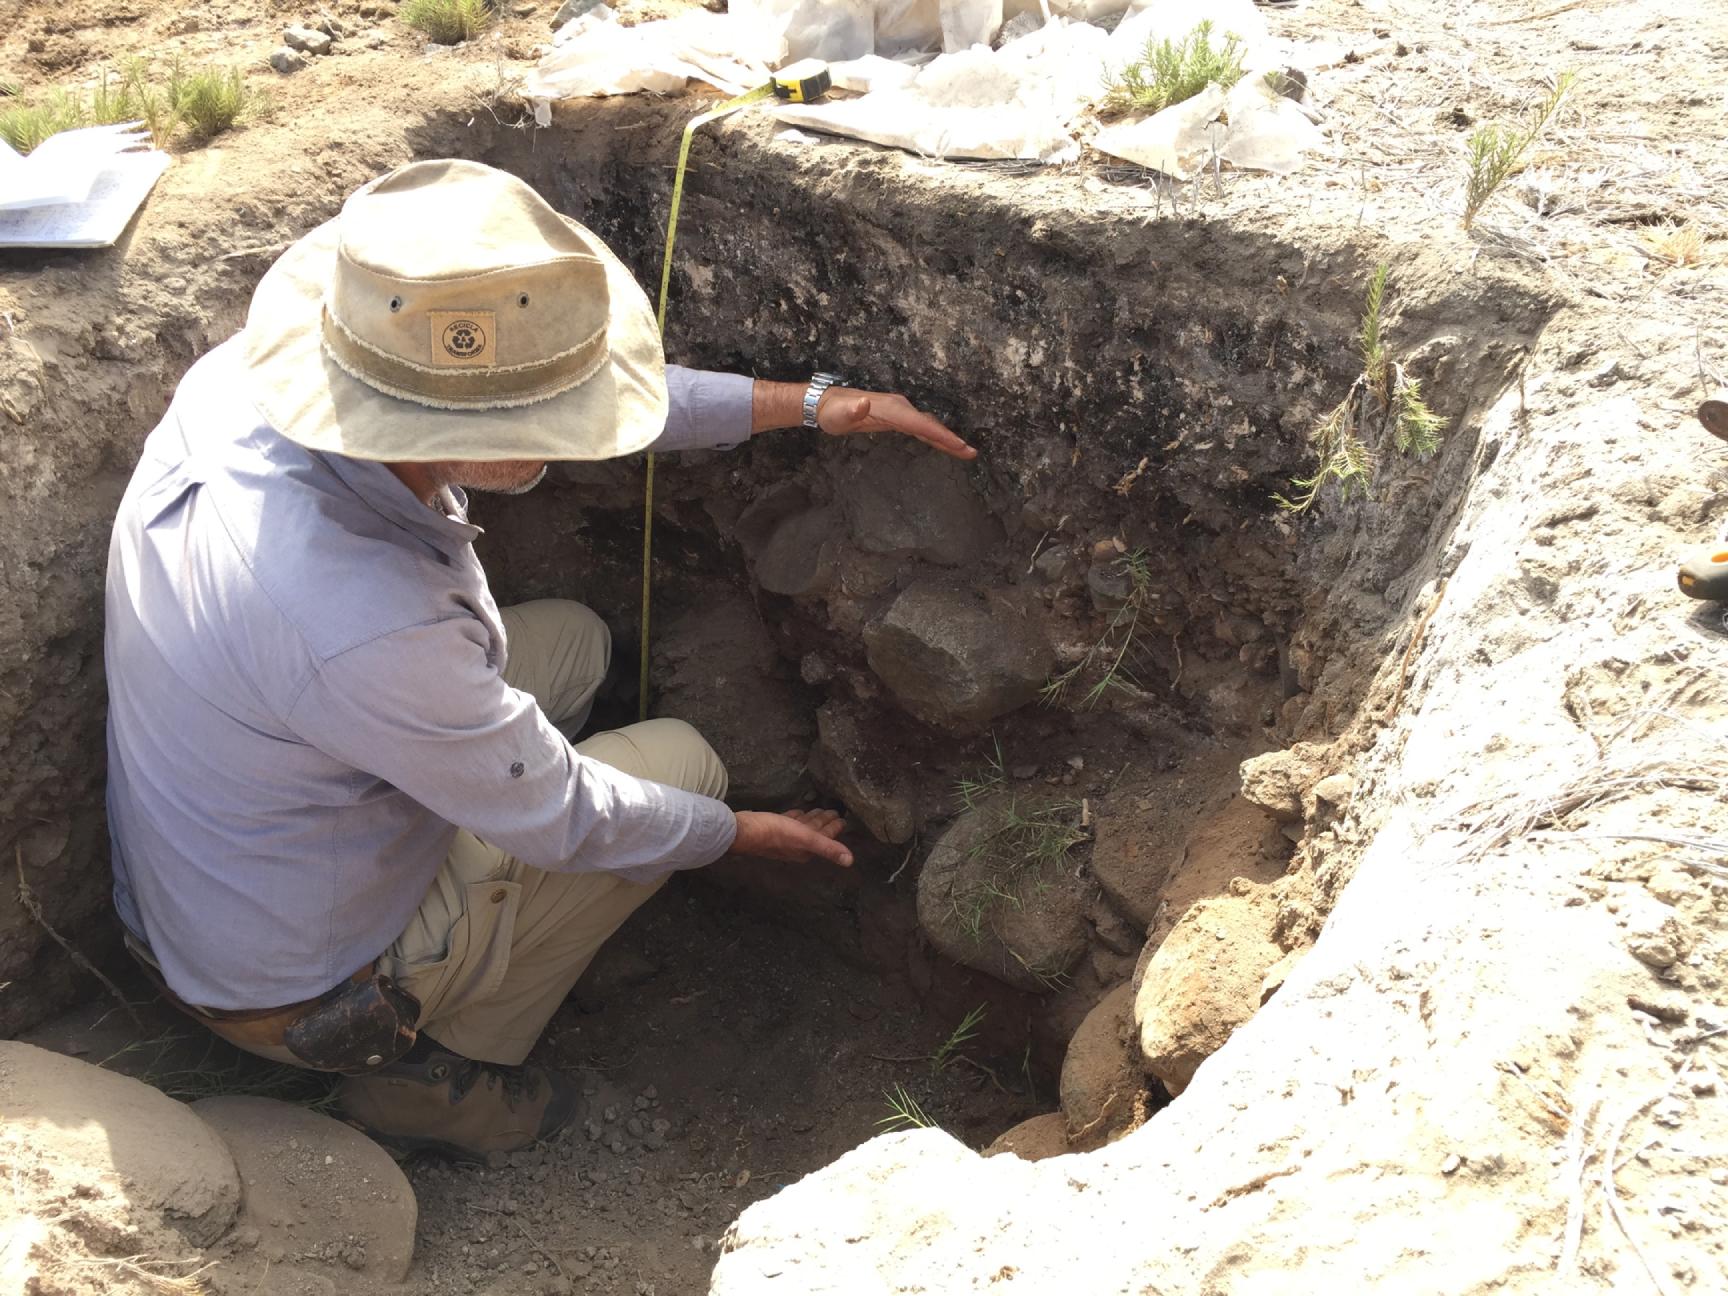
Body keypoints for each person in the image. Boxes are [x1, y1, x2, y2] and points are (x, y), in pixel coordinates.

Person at [104, 158, 974, 1160]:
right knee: (684, 765)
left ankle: (460, 949)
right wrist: (734, 833)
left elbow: (587, 392)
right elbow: (569, 817)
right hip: (298, 982)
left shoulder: (247, 386)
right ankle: (429, 1069)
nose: (568, 434)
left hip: (220, 876)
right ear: (466, 430)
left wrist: (820, 404)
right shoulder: (364, 620)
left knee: (573, 638)